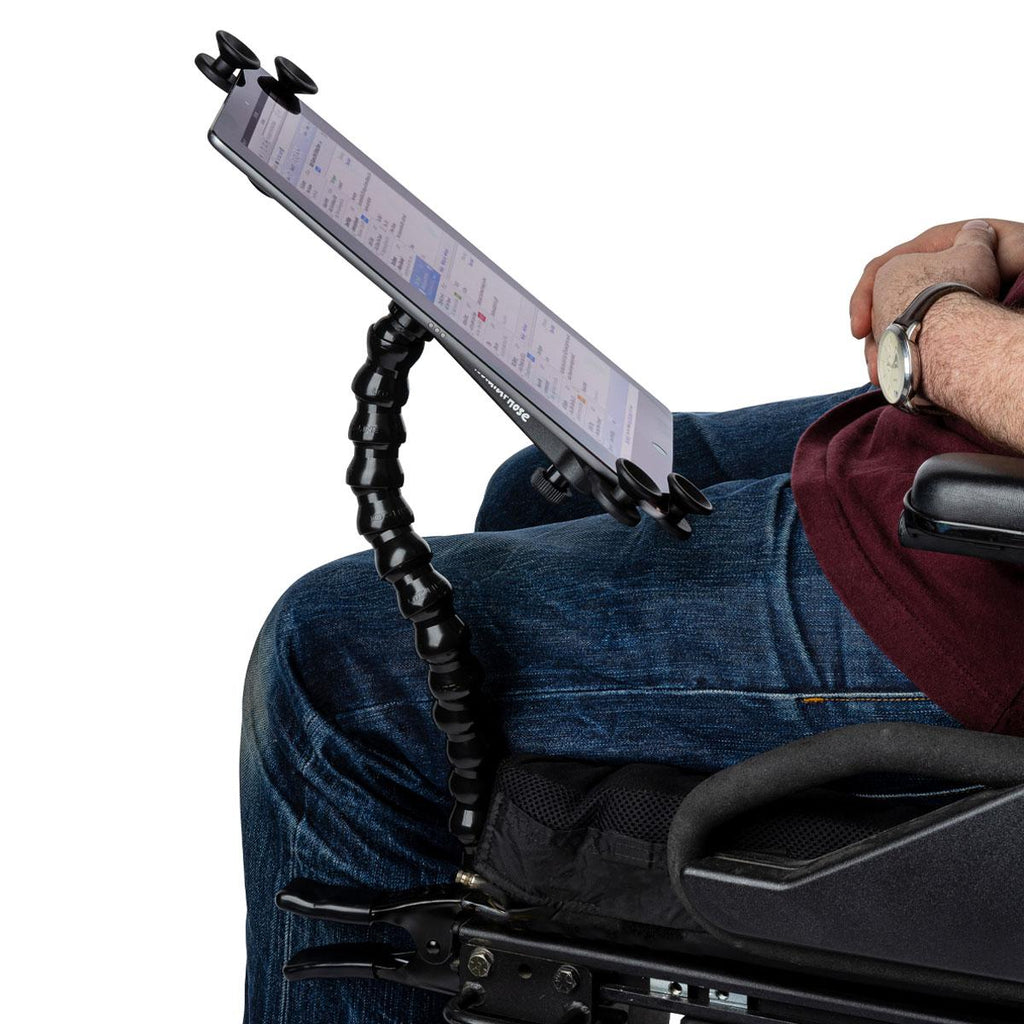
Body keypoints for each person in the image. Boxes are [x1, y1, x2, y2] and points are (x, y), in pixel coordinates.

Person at [240, 218, 1024, 1023]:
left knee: (336, 660)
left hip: (985, 550)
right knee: (535, 492)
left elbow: (936, 334)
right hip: (976, 409)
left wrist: (932, 319)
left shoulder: (937, 327)